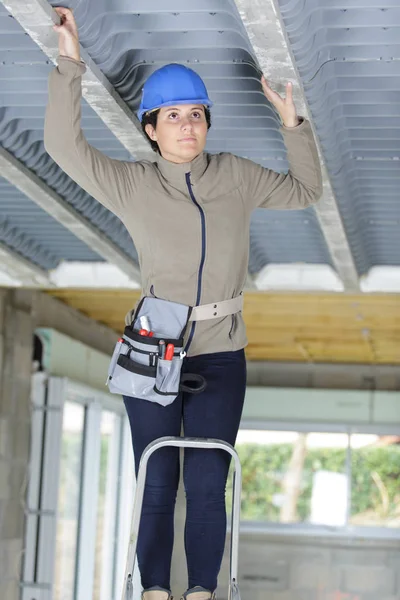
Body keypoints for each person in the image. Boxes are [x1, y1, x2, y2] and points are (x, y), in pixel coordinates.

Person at [45, 8, 322, 600]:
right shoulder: (133, 184)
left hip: (222, 353)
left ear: (206, 123)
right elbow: (62, 147)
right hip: (153, 349)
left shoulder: (237, 176)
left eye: (196, 115)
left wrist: (292, 124)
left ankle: (201, 591)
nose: (187, 126)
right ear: (151, 128)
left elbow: (306, 190)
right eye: (173, 116)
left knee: (207, 477)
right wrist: (70, 62)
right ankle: (152, 591)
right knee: (156, 476)